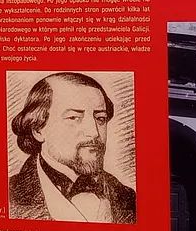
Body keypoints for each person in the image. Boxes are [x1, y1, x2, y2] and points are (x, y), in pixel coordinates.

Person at [8, 73, 136, 223]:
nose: (94, 133)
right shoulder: (10, 195)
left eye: (100, 118)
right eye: (74, 118)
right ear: (38, 129)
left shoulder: (127, 198)